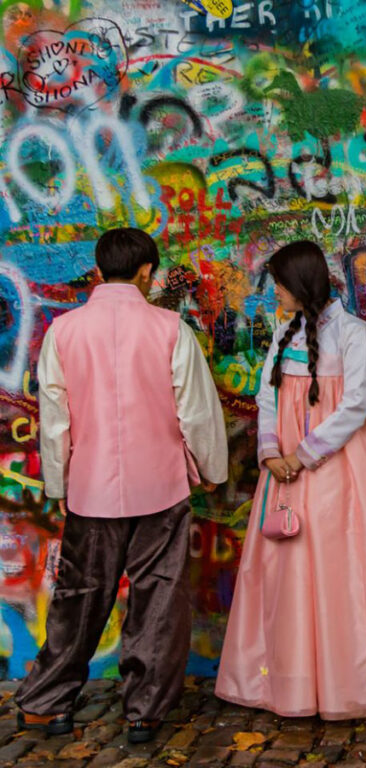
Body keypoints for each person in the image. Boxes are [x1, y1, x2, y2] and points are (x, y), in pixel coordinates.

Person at [15, 228, 229, 743]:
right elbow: (196, 412)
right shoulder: (170, 327)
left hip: (91, 490)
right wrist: (213, 471)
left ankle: (46, 702)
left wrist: (60, 481)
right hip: (160, 487)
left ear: (98, 270)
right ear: (146, 272)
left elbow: (55, 418)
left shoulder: (65, 332)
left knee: (80, 596)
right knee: (158, 598)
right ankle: (144, 711)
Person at [215, 241, 366, 719]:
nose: (273, 290)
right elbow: (267, 395)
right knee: (287, 568)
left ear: (300, 284)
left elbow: (356, 404)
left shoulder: (353, 334)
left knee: (339, 565)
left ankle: (346, 682)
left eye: (279, 282)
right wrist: (272, 451)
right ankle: (292, 680)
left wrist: (304, 454)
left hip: (338, 468)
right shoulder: (284, 331)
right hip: (286, 471)